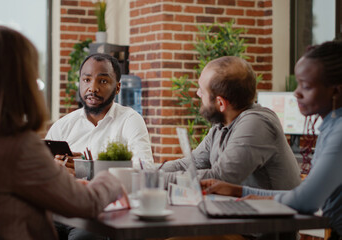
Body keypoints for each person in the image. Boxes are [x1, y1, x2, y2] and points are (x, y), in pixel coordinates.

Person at [0, 26, 127, 240]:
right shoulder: (16, 145)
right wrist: (113, 178)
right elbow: (87, 204)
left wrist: (57, 179)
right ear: (21, 79)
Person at [201, 41, 342, 239]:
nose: (296, 93)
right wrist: (239, 191)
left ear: (335, 91)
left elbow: (306, 200)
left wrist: (242, 193)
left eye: (306, 86)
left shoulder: (339, 132)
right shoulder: (331, 126)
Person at [162, 56, 301, 191]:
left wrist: (157, 180)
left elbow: (219, 178)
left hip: (275, 212)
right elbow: (191, 164)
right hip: (247, 210)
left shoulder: (257, 124)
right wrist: (146, 172)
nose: (198, 93)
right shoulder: (222, 125)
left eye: (202, 90)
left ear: (221, 103)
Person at [46, 53, 153, 171]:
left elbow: (145, 168)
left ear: (117, 88)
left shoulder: (130, 120)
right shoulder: (62, 127)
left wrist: (88, 169)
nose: (92, 88)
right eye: (87, 80)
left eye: (103, 81)